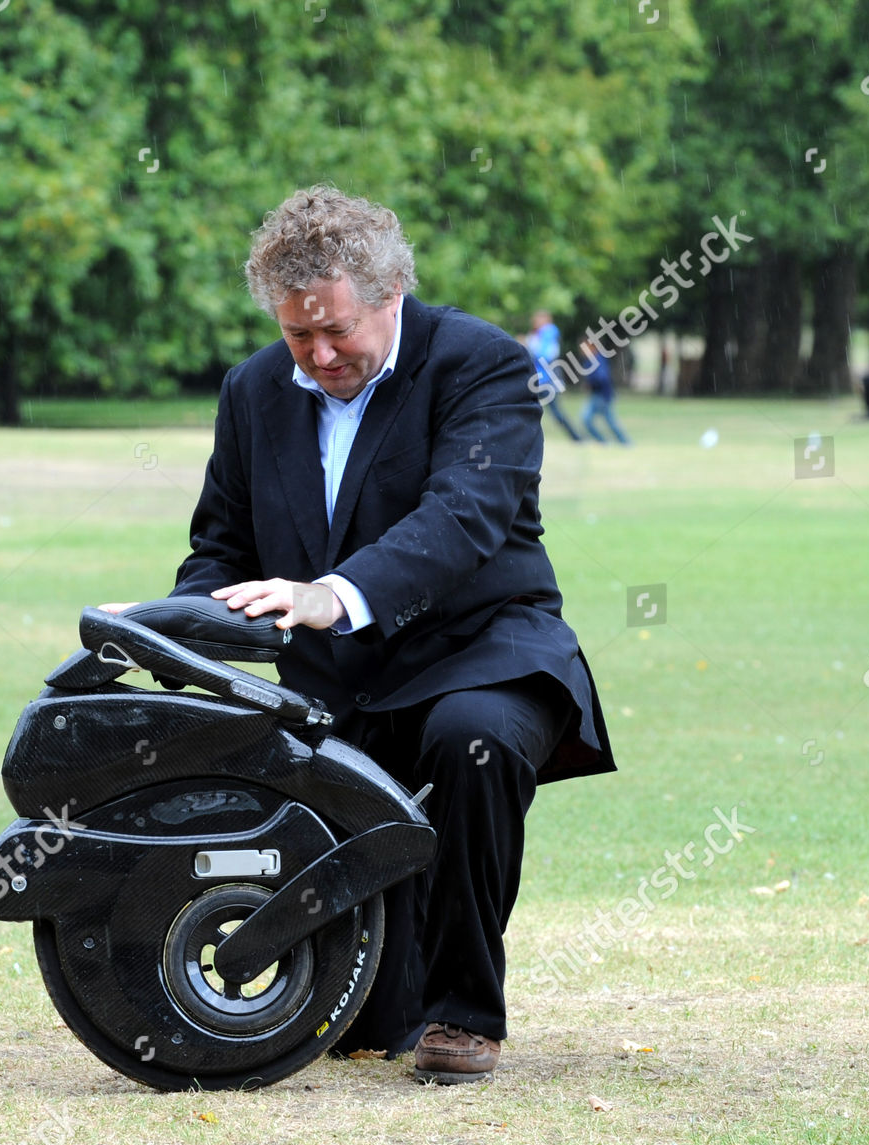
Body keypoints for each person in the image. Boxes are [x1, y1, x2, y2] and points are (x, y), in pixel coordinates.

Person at [103, 185, 614, 1084]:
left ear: (392, 295)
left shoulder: (484, 367)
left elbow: (465, 516)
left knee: (473, 743)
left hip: (485, 654)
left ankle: (468, 1016)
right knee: (372, 1027)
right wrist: (169, 629)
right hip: (338, 686)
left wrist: (334, 596)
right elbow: (220, 548)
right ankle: (373, 992)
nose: (320, 353)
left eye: (337, 330)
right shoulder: (254, 390)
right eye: (299, 335)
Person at [525, 310, 583, 440]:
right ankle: (577, 437)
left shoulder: (549, 332)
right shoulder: (539, 334)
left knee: (555, 413)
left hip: (546, 380)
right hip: (539, 379)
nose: (536, 322)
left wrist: (528, 347)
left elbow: (545, 355)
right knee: (532, 410)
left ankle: (577, 437)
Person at [578, 340, 630, 444]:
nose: (582, 350)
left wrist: (591, 384)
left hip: (601, 395)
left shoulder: (597, 359)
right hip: (597, 395)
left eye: (585, 347)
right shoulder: (591, 359)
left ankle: (622, 442)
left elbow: (602, 378)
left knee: (592, 419)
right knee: (592, 419)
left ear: (592, 346)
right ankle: (614, 442)